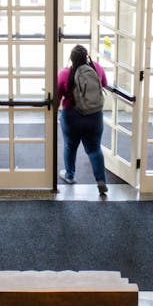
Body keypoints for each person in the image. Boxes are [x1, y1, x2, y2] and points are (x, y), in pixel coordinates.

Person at [56, 45, 108, 194]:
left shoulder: (64, 73)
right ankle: (101, 181)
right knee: (94, 149)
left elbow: (58, 95)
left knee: (70, 146)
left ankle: (70, 175)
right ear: (86, 57)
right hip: (94, 116)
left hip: (72, 117)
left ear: (71, 59)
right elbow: (103, 84)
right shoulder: (97, 68)